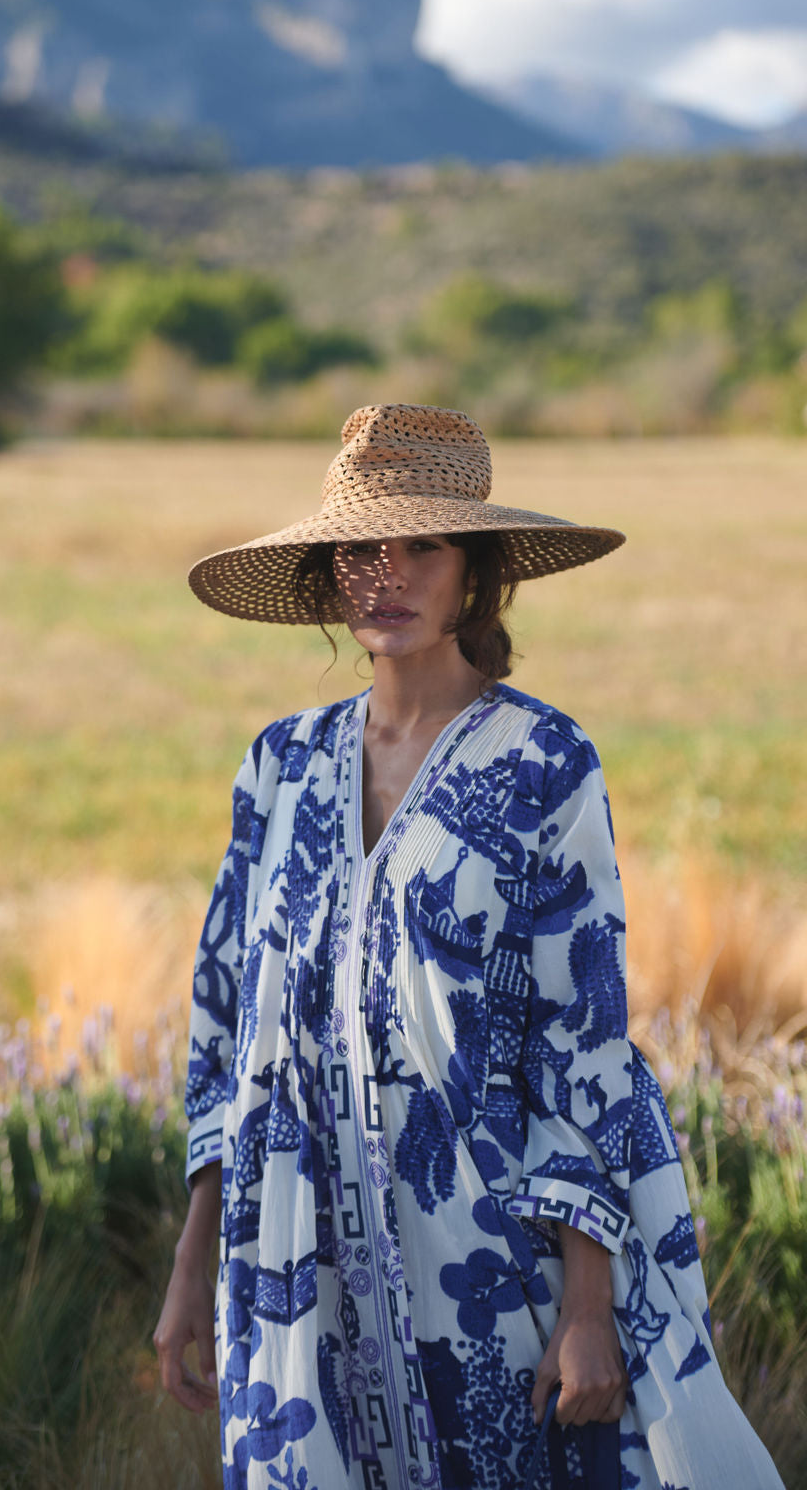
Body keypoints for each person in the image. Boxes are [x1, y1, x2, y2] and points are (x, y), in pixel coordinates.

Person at [154, 404, 783, 1490]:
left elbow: (579, 1041)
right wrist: (191, 1260)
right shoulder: (279, 767)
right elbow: (225, 1027)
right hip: (299, 1266)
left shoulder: (543, 762)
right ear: (324, 574)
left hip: (492, 1264)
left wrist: (588, 1306)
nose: (382, 575)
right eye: (358, 548)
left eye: (421, 546)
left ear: (474, 575)